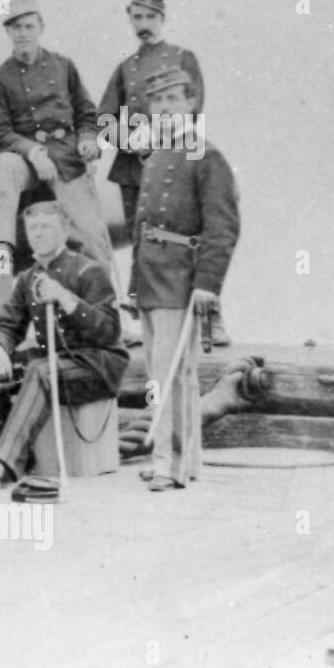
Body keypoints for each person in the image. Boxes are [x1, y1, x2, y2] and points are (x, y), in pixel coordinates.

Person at [0, 202, 130, 493]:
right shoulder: (28, 278)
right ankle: (14, 455)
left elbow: (108, 332)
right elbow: (5, 324)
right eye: (32, 228)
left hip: (97, 365)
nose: (38, 234)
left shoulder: (89, 271)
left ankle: (1, 465)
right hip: (56, 362)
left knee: (41, 370)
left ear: (64, 231)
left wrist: (68, 300)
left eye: (46, 227)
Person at [97, 0, 228, 345]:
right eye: (136, 18)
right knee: (143, 239)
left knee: (192, 235)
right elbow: (104, 118)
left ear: (162, 18)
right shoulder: (125, 68)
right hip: (133, 168)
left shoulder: (184, 58)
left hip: (178, 158)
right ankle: (147, 319)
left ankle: (211, 316)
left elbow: (193, 109)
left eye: (149, 17)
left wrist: (156, 136)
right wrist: (127, 138)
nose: (143, 25)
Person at [130, 68, 239, 492]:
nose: (165, 108)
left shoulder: (206, 156)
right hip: (152, 277)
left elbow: (222, 226)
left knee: (170, 375)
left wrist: (208, 282)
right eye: (157, 101)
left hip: (180, 277)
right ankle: (183, 461)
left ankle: (167, 463)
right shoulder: (157, 156)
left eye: (173, 99)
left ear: (192, 104)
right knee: (167, 375)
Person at [0, 0, 112, 270]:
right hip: (27, 160)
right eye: (16, 28)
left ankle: (104, 301)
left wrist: (88, 140)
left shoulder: (64, 66)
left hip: (66, 157)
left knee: (91, 231)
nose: (23, 33)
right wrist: (34, 152)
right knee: (1, 166)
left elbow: (87, 114)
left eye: (29, 26)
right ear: (8, 32)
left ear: (41, 27)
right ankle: (2, 251)